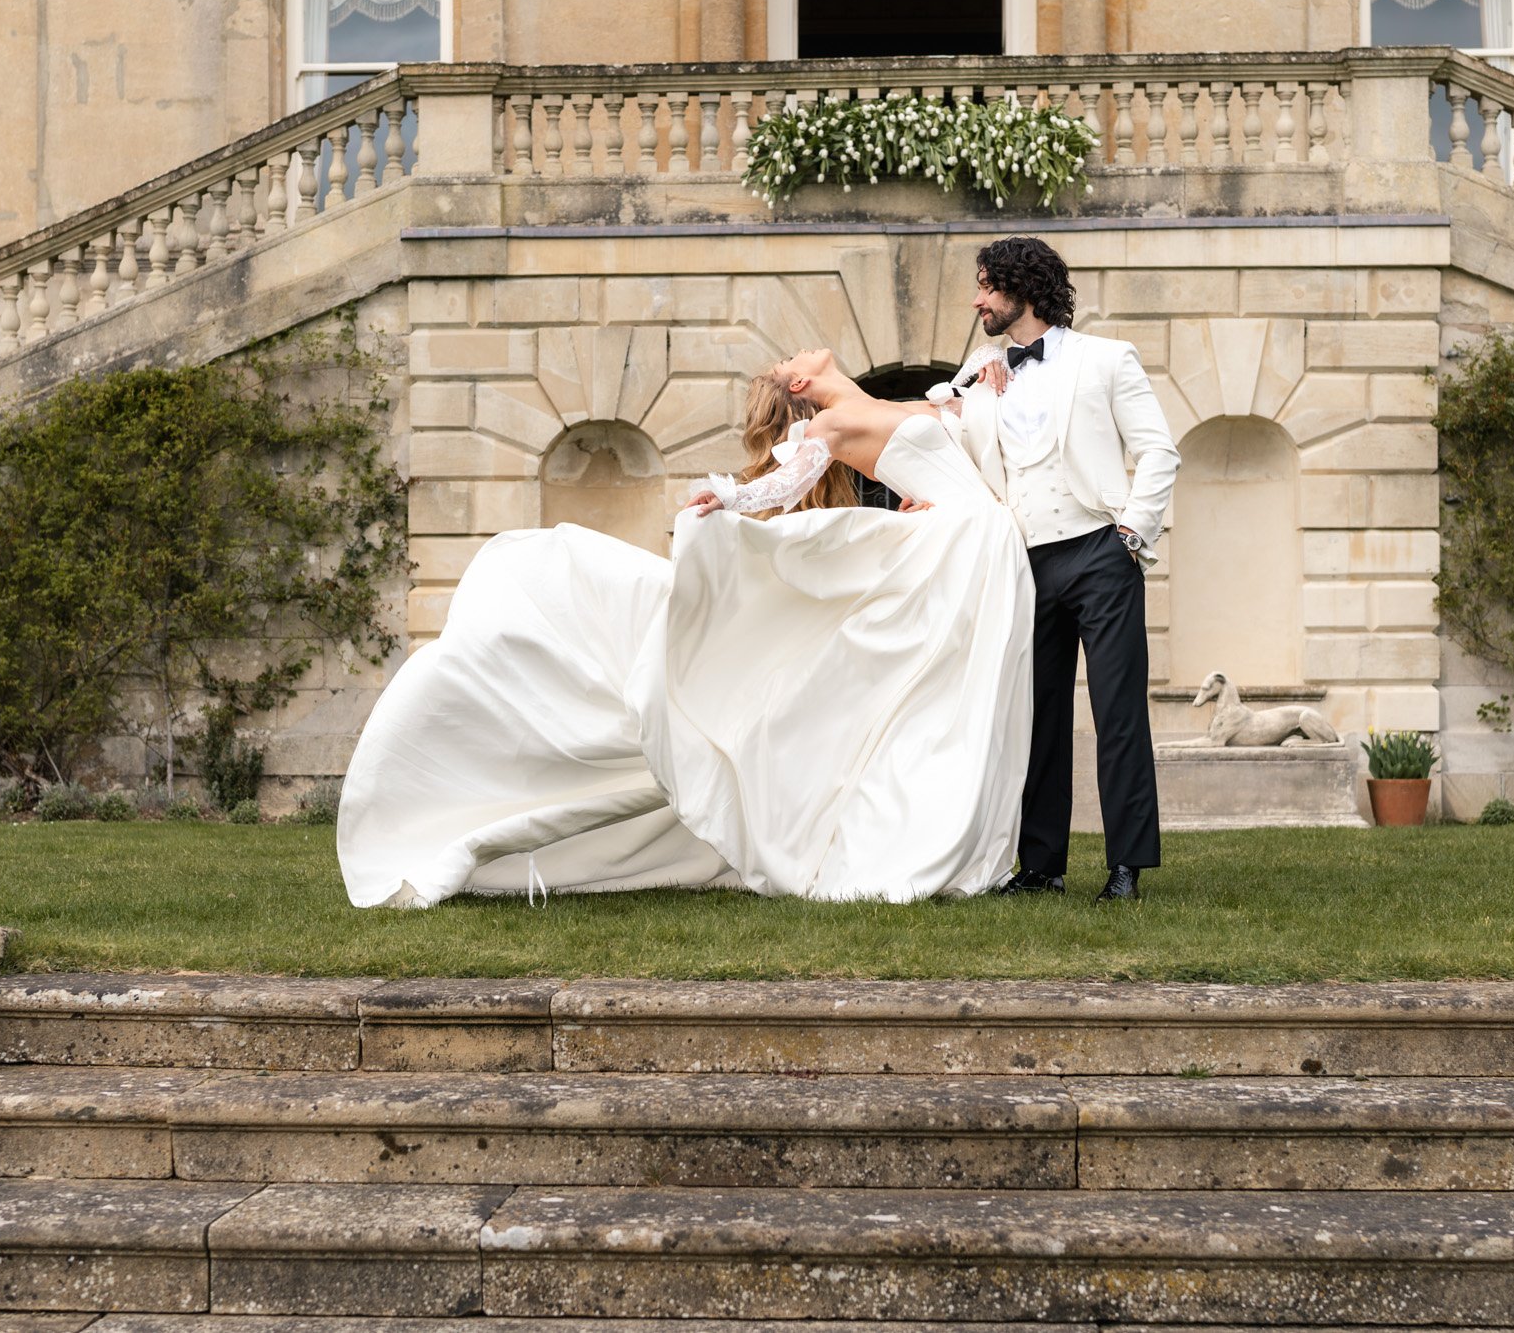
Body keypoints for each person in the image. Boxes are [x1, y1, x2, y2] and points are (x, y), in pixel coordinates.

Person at [336, 350, 1033, 905]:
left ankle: (965, 837)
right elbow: (782, 487)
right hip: (968, 544)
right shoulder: (825, 425)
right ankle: (929, 832)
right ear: (802, 380)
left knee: (955, 696)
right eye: (796, 355)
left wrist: (984, 372)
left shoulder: (877, 403)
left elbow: (963, 413)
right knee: (933, 695)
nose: (803, 352)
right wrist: (726, 497)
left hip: (972, 541)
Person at [938, 236, 1180, 903]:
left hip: (1101, 553)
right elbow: (938, 406)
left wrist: (1130, 533)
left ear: (1025, 289)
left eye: (988, 286)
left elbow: (1159, 451)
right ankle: (1042, 866)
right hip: (1026, 561)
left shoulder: (1106, 360)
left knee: (1117, 713)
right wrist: (975, 377)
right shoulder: (986, 366)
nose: (977, 299)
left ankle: (1127, 866)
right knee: (1038, 717)